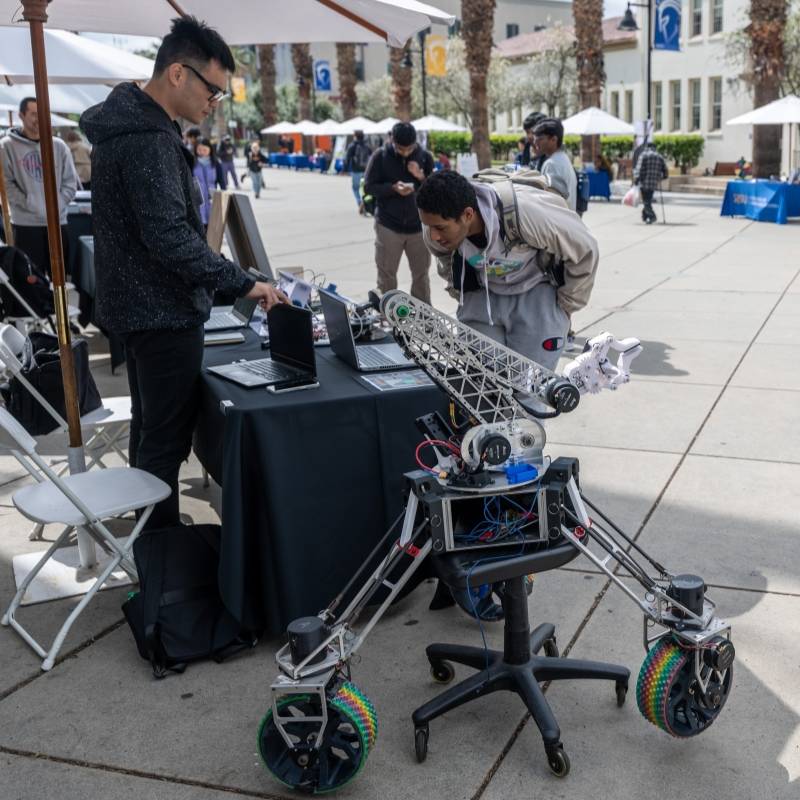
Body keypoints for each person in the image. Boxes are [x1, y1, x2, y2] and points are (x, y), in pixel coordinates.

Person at [80, 16, 286, 530]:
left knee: (151, 433)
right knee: (164, 445)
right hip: (161, 311)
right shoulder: (147, 138)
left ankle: (153, 545)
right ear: (177, 74)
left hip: (140, 307)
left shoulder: (131, 125)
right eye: (212, 91)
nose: (213, 104)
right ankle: (163, 560)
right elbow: (171, 238)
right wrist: (245, 282)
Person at [416, 170, 598, 371]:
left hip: (536, 296)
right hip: (481, 295)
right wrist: (459, 293)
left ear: (468, 215)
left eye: (440, 228)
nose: (433, 236)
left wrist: (565, 306)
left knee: (530, 391)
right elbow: (447, 265)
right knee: (482, 388)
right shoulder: (434, 229)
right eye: (428, 226)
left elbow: (585, 250)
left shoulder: (527, 214)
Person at [0, 97, 78, 279]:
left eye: (42, 114)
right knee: (30, 281)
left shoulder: (59, 146)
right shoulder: (6, 147)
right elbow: (6, 185)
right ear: (21, 115)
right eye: (34, 114)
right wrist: (30, 204)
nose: (39, 119)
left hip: (58, 223)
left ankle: (58, 308)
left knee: (61, 279)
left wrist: (55, 205)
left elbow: (70, 182)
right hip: (26, 224)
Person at [364, 121, 434, 303]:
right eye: (401, 148)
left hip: (418, 225)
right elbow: (369, 187)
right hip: (388, 224)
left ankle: (424, 318)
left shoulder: (425, 157)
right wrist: (392, 188)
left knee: (421, 275)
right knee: (386, 275)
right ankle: (388, 314)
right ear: (391, 140)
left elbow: (434, 189)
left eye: (409, 148)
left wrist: (420, 177)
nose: (405, 152)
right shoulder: (380, 156)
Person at [532, 117, 577, 211]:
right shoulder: (563, 158)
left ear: (553, 140)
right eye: (535, 139)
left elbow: (549, 201)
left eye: (539, 139)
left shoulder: (551, 164)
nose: (535, 142)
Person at [633, 142, 668, 224]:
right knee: (647, 199)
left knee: (646, 201)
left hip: (644, 181)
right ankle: (645, 216)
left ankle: (652, 216)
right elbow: (665, 170)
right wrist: (662, 177)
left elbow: (639, 169)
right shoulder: (659, 156)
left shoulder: (643, 155)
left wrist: (636, 179)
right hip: (654, 182)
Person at [193, 136, 224, 229]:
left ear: (210, 149)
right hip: (197, 199)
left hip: (212, 197)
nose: (202, 152)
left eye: (205, 149)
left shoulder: (216, 163)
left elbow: (221, 180)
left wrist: (223, 194)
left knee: (212, 224)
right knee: (200, 223)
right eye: (199, 149)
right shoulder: (192, 162)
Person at [343, 130, 372, 213]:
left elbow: (347, 158)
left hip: (356, 170)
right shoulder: (367, 145)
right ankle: (365, 201)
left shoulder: (352, 145)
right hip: (366, 170)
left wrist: (344, 169)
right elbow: (372, 157)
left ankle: (359, 201)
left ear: (355, 136)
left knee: (355, 188)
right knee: (365, 188)